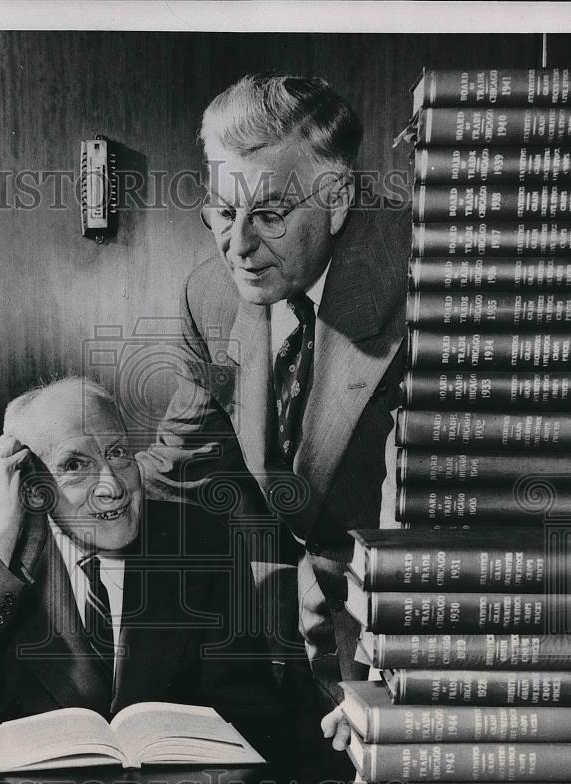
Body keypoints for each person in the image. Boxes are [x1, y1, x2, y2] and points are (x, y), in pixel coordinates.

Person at [136, 74, 410, 749]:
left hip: (415, 655)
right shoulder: (214, 293)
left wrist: (388, 687)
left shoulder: (428, 277)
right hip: (291, 659)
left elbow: (454, 521)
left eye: (270, 212)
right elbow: (180, 470)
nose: (237, 246)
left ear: (338, 198)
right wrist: (13, 510)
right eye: (221, 213)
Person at [0, 377, 281, 740]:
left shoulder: (201, 539)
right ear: (31, 484)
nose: (112, 487)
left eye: (118, 453)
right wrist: (1, 536)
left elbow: (250, 712)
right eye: (76, 465)